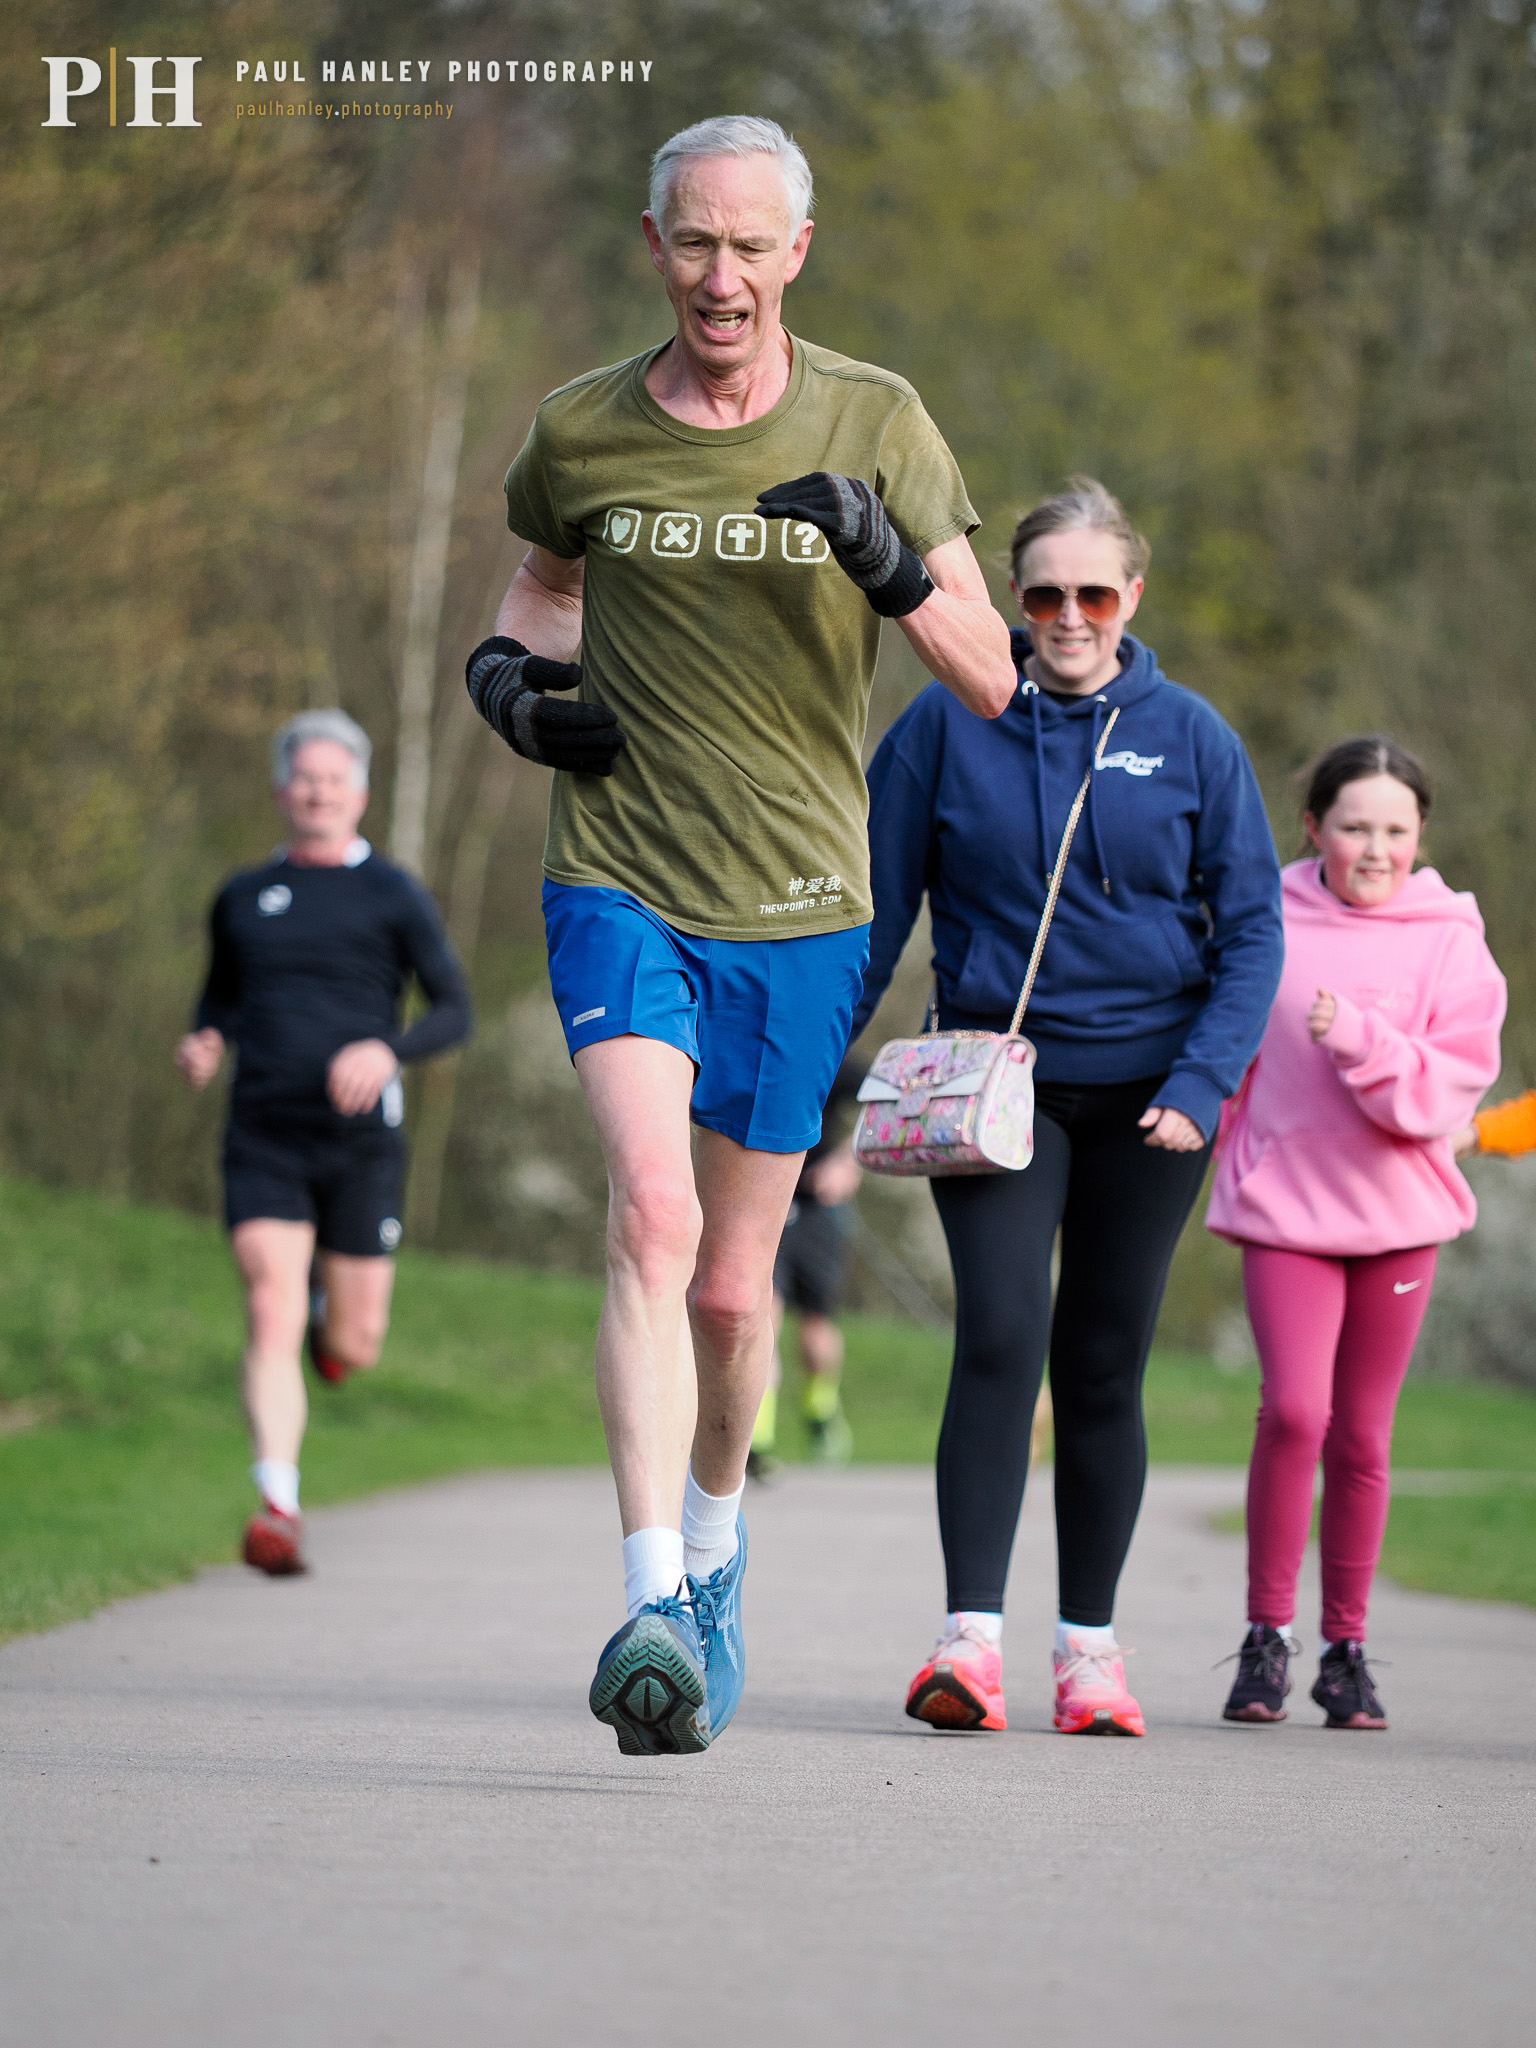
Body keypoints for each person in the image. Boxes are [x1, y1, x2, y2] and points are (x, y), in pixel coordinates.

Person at [463, 115, 1014, 1755]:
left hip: (799, 904)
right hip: (618, 871)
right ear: (654, 244)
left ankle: (712, 1556)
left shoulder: (879, 419)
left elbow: (993, 674)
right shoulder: (580, 427)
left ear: (798, 250)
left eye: (748, 245)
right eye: (691, 242)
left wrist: (892, 564)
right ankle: (644, 1593)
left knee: (729, 1287)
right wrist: (506, 681)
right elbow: (538, 590)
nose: (719, 275)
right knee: (643, 1210)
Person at [854, 477, 1284, 1736]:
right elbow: (879, 915)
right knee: (999, 1334)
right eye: (1044, 592)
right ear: (1014, 600)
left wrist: (1203, 1085)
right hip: (996, 1088)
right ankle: (967, 1644)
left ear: (1131, 597)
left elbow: (1252, 932)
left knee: (1102, 1363)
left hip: (1153, 1097)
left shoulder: (1193, 734)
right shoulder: (945, 727)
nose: (1069, 614)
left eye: (1095, 592)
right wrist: (811, 1071)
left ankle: (1089, 1651)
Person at [1209, 736, 1504, 1728]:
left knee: (1365, 1433)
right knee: (1296, 1411)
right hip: (1286, 1208)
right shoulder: (1266, 915)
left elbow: (1444, 1092)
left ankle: (1347, 1648)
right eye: (1353, 826)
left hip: (1399, 1216)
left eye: (1394, 829)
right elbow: (1223, 1048)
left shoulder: (1453, 937)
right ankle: (1266, 1638)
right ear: (1314, 827)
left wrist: (1362, 1037)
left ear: (1419, 833)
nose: (1373, 848)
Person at [175, 711, 472, 1576]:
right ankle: (278, 1504)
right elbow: (219, 1000)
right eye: (303, 778)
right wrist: (204, 1042)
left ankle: (326, 1322)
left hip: (359, 1146)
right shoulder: (240, 897)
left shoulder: (392, 895)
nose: (316, 791)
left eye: (332, 779)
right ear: (280, 790)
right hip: (264, 1133)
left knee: (356, 1343)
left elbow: (454, 1008)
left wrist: (389, 1048)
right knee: (265, 1303)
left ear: (359, 792)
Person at [751, 1055, 867, 1476]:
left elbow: (889, 1101)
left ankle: (821, 1408)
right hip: (760, 1201)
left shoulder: (834, 1056)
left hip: (817, 1208)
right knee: (762, 1316)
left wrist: (848, 1162)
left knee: (815, 1332)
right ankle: (754, 1442)